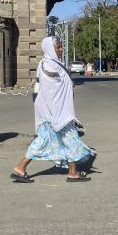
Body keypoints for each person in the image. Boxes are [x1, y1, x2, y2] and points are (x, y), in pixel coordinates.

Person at [11, 36, 95, 183]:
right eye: (58, 47)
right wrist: (60, 115)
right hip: (55, 111)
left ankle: (20, 167)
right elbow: (51, 93)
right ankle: (72, 173)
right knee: (70, 138)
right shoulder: (49, 66)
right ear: (51, 48)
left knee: (44, 139)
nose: (61, 49)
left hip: (53, 110)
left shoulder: (50, 64)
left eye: (61, 47)